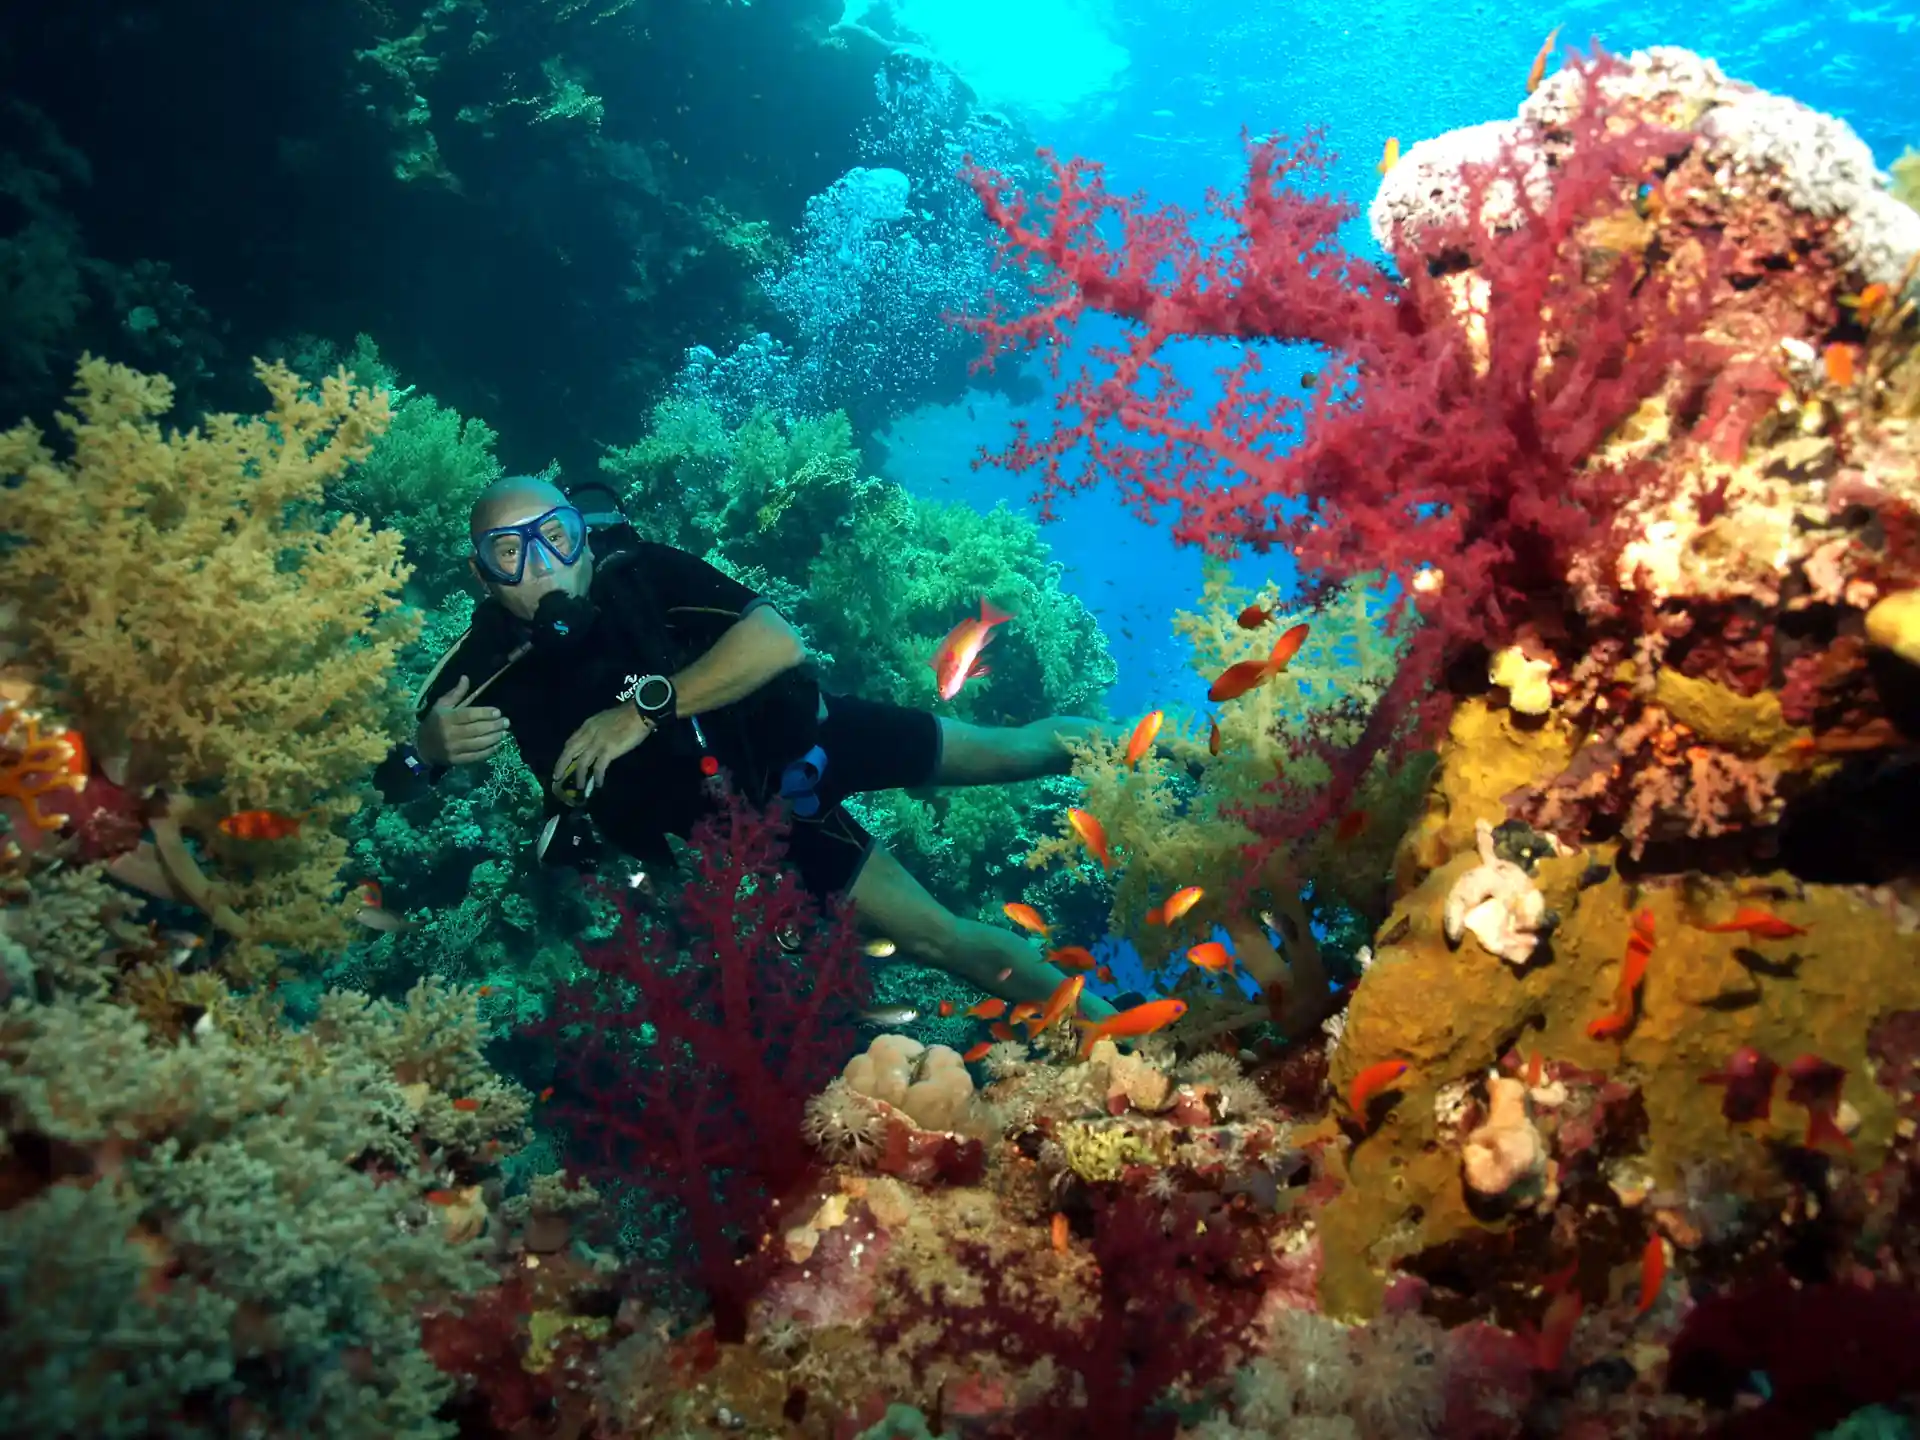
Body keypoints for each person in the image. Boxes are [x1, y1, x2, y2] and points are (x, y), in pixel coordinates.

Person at [409, 473, 1116, 1018]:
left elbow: (777, 641)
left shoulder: (644, 574)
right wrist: (429, 748)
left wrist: (643, 711)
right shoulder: (486, 661)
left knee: (1011, 753)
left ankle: (1161, 743)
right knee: (939, 939)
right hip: (762, 824)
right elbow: (400, 768)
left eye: (556, 536)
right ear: (482, 574)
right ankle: (1117, 1030)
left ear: (583, 536)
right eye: (510, 552)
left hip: (813, 736)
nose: (541, 567)